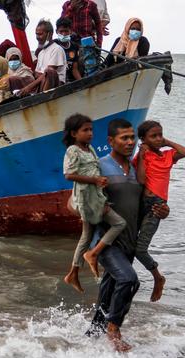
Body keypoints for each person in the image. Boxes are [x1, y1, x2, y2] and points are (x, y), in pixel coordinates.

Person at [85, 118, 170, 352]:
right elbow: (74, 202)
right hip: (105, 241)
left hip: (129, 242)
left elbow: (142, 205)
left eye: (132, 137)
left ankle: (91, 339)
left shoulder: (137, 170)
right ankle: (114, 329)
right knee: (129, 280)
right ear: (111, 141)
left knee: (108, 293)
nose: (130, 142)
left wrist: (162, 211)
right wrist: (95, 208)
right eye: (124, 138)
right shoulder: (99, 166)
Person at [61, 114, 126, 293]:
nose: (90, 133)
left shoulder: (90, 149)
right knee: (119, 223)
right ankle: (92, 254)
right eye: (85, 130)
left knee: (86, 235)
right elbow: (69, 175)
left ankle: (73, 272)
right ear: (74, 133)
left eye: (91, 129)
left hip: (95, 195)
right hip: (87, 198)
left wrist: (100, 183)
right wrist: (95, 180)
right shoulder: (73, 150)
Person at [134, 120, 185, 301]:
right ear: (143, 139)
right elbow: (141, 180)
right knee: (130, 244)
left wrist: (167, 142)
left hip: (157, 206)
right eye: (153, 136)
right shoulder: (143, 156)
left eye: (160, 135)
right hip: (142, 203)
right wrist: (142, 155)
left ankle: (158, 277)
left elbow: (184, 152)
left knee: (140, 249)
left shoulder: (167, 156)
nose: (158, 139)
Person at [19, 20, 66, 96]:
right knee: (16, 79)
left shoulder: (57, 49)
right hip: (42, 82)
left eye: (40, 34)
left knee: (49, 72)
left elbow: (48, 73)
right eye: (36, 34)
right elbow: (37, 74)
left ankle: (43, 98)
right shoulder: (41, 53)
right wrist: (41, 75)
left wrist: (29, 87)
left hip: (56, 85)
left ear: (50, 34)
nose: (38, 37)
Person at [54, 18, 82, 82]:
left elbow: (74, 69)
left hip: (70, 79)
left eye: (66, 31)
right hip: (57, 80)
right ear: (56, 31)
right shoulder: (53, 45)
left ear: (71, 31)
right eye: (61, 31)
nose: (63, 34)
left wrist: (81, 82)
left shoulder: (74, 46)